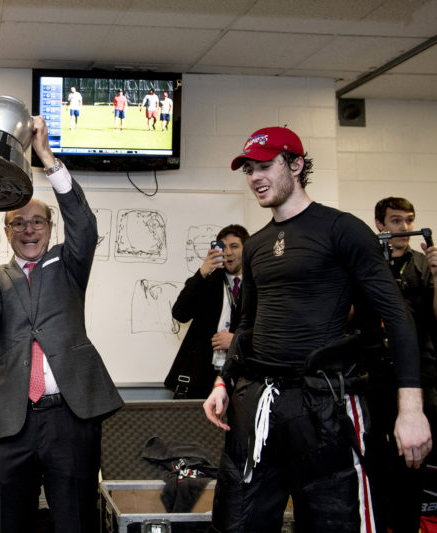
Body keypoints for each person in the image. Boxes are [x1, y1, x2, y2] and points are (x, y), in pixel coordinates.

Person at [203, 126, 432, 532]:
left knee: (334, 523)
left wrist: (411, 410)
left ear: (295, 164)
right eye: (249, 169)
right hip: (258, 404)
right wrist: (223, 382)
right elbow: (248, 323)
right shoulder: (255, 245)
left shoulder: (342, 229)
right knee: (236, 521)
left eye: (265, 165)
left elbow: (397, 317)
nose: (255, 176)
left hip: (325, 404)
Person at [0, 116, 124, 533]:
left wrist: (48, 159)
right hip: (12, 419)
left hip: (70, 414)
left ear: (50, 229)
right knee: (7, 522)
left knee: (75, 520)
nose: (28, 229)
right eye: (18, 223)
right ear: (10, 231)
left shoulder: (69, 263)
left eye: (38, 222)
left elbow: (84, 225)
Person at [359, 196, 437, 532]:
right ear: (380, 225)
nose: (403, 228)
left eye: (408, 220)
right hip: (375, 374)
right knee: (376, 458)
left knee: (414, 459)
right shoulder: (369, 265)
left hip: (420, 374)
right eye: (395, 221)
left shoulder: (422, 265)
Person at [165, 224, 249, 399]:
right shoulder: (206, 281)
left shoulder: (257, 286)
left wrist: (236, 340)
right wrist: (203, 272)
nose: (228, 252)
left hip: (242, 374)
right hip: (203, 374)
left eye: (234, 246)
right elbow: (180, 313)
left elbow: (269, 330)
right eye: (222, 247)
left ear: (247, 249)